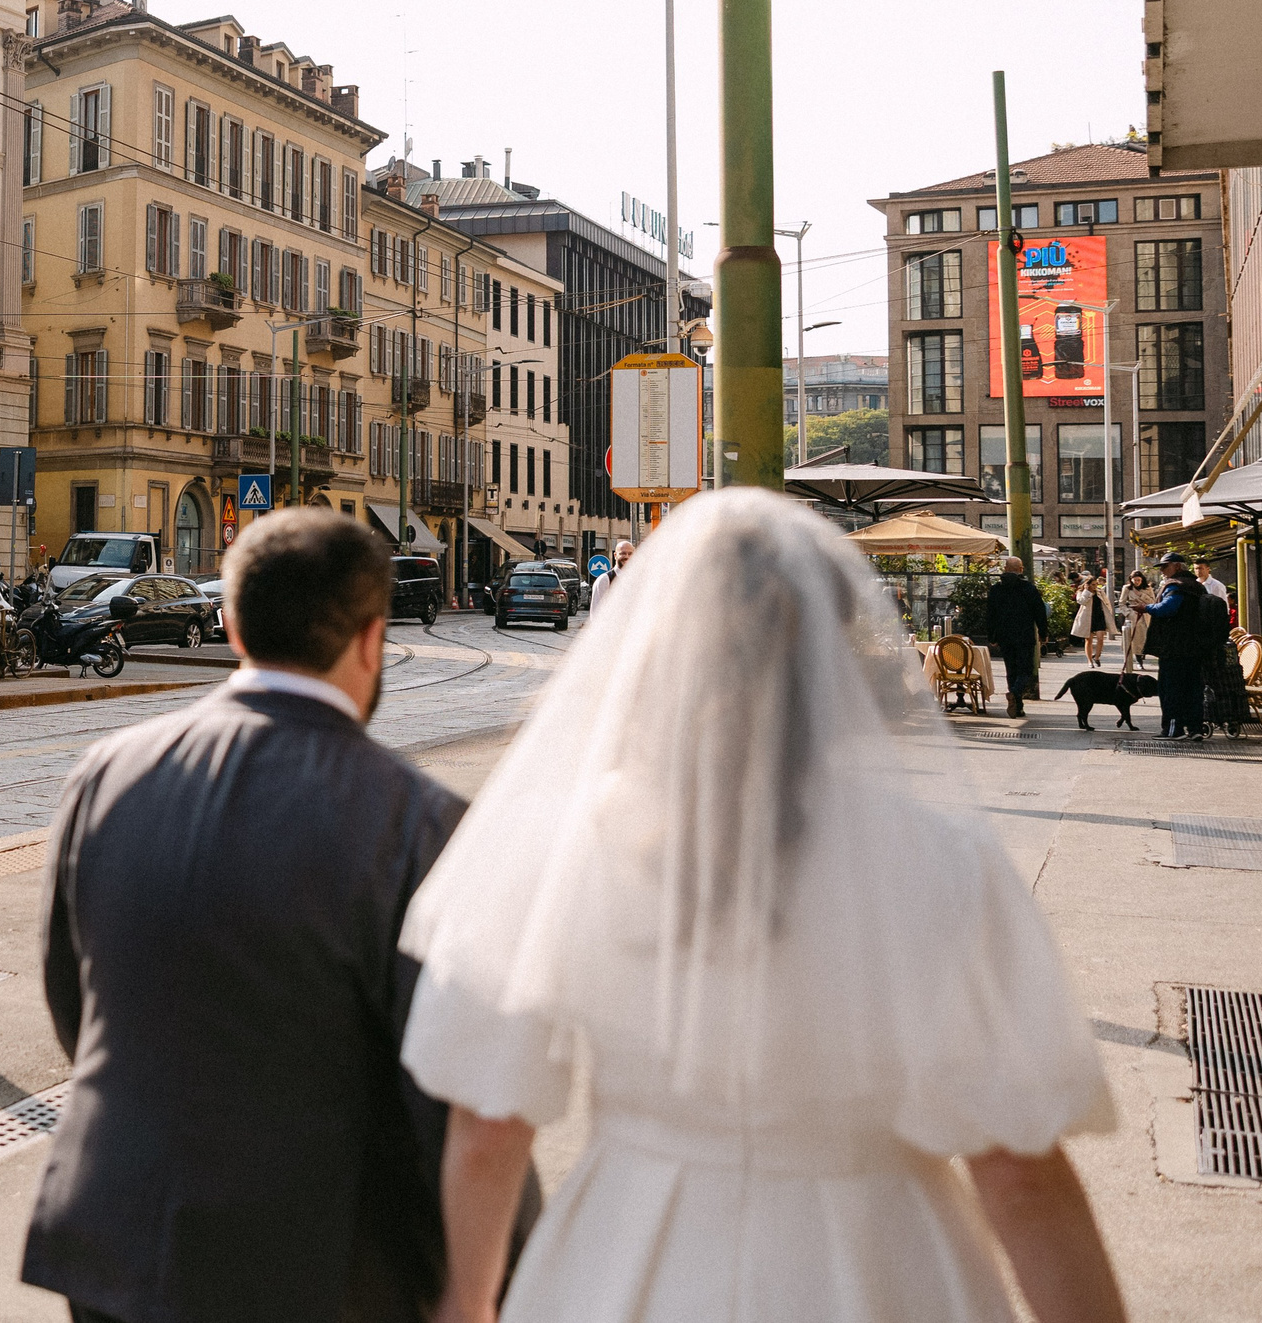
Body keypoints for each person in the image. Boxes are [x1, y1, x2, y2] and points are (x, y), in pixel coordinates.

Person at [398, 489, 1127, 1323]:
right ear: (835, 648)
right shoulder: (940, 860)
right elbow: (1019, 1172)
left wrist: (469, 1300)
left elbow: (491, 1125)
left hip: (631, 1255)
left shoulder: (568, 842)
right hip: (879, 1265)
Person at [23, 508, 539, 1323]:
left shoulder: (104, 772)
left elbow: (71, 997)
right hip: (316, 1262)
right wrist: (476, 1283)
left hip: (116, 1241)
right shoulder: (421, 823)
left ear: (230, 622)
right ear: (372, 641)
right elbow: (462, 1084)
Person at [1132, 553, 1211, 738]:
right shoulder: (1198, 587)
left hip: (1175, 647)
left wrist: (1146, 608)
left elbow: (1168, 608)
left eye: (1164, 567)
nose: (1162, 571)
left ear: (1177, 566)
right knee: (1193, 690)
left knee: (1171, 689)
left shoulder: (1176, 586)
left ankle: (1173, 729)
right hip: (1196, 647)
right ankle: (1195, 729)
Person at [984, 554, 1049, 719]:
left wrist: (992, 636)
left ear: (1005, 569)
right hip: (1024, 636)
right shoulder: (1029, 589)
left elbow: (990, 615)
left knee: (1011, 670)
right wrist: (1043, 633)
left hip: (1005, 637)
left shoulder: (996, 589)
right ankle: (1014, 693)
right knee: (1026, 670)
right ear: (1021, 570)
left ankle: (1018, 706)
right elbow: (1039, 613)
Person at [1071, 573, 1111, 667]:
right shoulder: (1082, 592)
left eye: (1096, 584)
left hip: (1099, 617)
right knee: (1088, 640)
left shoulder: (1100, 592)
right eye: (1093, 584)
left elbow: (1107, 603)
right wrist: (1086, 591)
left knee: (1100, 638)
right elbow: (1081, 601)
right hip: (1087, 618)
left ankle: (1097, 657)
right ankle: (1089, 661)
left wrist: (1109, 613)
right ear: (1087, 584)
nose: (1095, 586)